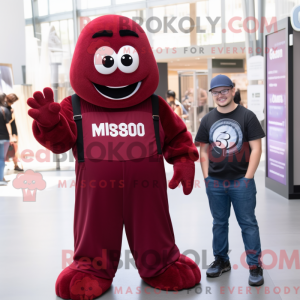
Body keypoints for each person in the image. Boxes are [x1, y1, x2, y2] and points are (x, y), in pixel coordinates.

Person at [195, 74, 265, 286]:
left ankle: (254, 265)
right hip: (215, 182)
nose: (220, 95)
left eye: (224, 90)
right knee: (219, 223)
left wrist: (248, 178)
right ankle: (222, 260)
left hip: (240, 181)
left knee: (248, 224)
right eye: (216, 92)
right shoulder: (207, 119)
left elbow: (256, 148)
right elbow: (204, 150)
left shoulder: (247, 116)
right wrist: (206, 177)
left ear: (233, 91)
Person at [4, 93, 23, 171]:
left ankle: (15, 165)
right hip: (10, 130)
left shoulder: (7, 107)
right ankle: (16, 165)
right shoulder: (6, 108)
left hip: (11, 129)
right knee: (13, 148)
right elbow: (6, 121)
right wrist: (10, 135)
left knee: (12, 148)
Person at [0, 93, 12, 185]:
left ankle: (2, 177)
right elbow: (7, 124)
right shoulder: (5, 110)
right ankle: (1, 179)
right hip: (4, 137)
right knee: (2, 159)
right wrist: (11, 136)